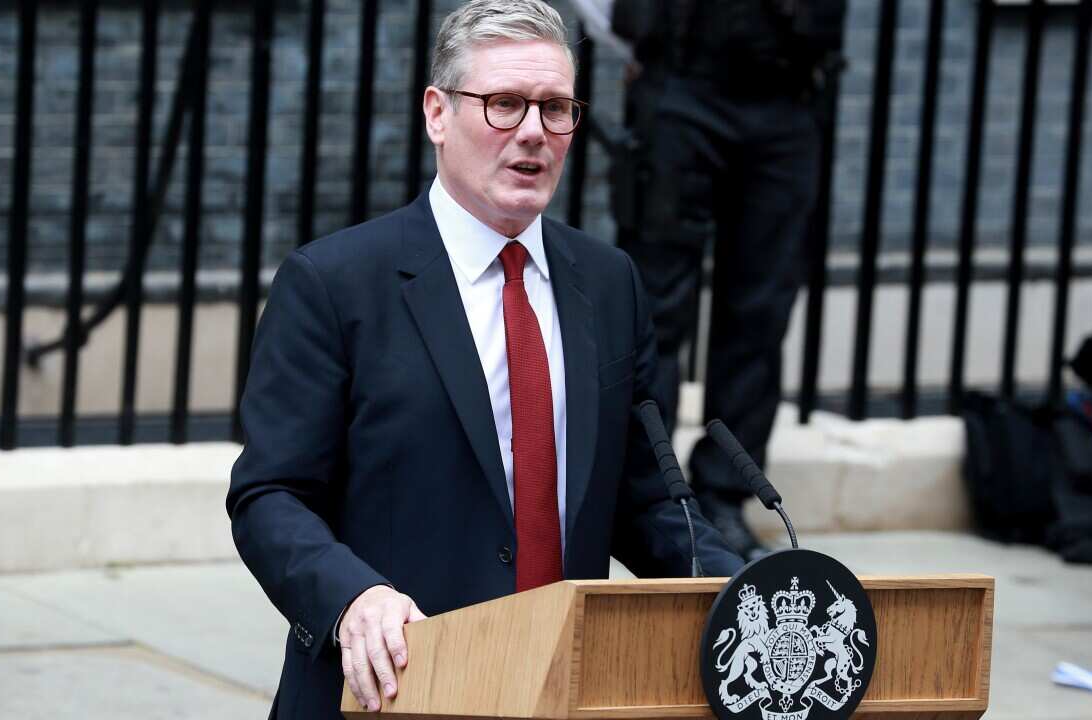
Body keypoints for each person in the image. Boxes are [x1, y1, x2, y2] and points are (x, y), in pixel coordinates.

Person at [226, 2, 745, 718]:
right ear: (437, 114)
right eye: (504, 104)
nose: (533, 132)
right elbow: (270, 496)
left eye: (556, 108)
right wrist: (351, 596)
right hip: (396, 689)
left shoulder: (608, 283)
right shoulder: (335, 283)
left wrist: (754, 591)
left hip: (558, 690)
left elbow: (646, 499)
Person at [573, 0, 845, 560]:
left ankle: (725, 494)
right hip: (683, 83)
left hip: (788, 94)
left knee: (761, 313)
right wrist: (640, 41)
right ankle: (645, 490)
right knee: (653, 309)